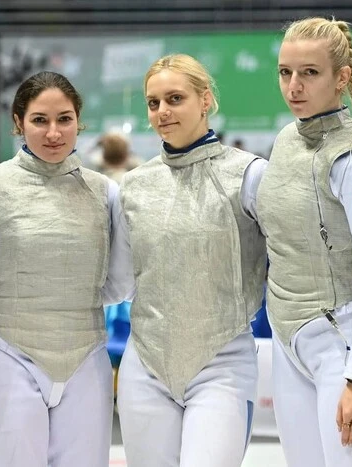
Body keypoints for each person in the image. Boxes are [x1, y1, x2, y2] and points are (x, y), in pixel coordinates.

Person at [0, 71, 133, 467]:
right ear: (19, 122)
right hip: (10, 355)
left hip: (87, 359)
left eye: (64, 119)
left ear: (78, 121)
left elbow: (119, 284)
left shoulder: (105, 193)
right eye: (40, 120)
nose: (53, 132)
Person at [255, 17, 352, 467]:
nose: (294, 86)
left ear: (341, 78)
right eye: (285, 72)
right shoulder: (285, 142)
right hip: (289, 344)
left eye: (310, 72)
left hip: (349, 352)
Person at [117, 54, 267, 467]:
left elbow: (289, 259)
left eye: (175, 98)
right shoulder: (133, 186)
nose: (162, 111)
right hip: (144, 363)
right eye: (153, 103)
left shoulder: (249, 175)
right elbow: (117, 279)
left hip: (222, 360)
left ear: (205, 100)